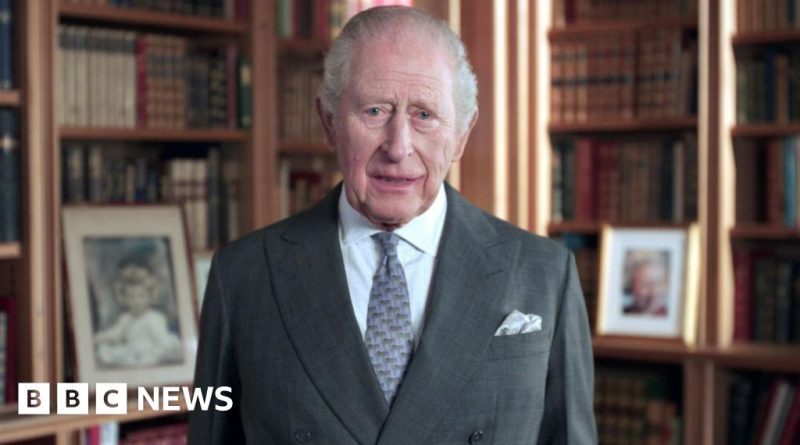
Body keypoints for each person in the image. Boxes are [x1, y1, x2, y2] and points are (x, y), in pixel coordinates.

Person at [189, 6, 595, 444]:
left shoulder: (545, 275)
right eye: (376, 110)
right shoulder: (240, 275)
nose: (399, 147)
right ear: (329, 122)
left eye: (424, 115)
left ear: (461, 133)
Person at [94, 261, 182, 367]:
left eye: (141, 296)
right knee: (108, 352)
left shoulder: (154, 318)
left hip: (150, 352)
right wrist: (99, 337)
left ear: (150, 296)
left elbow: (162, 340)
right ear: (124, 298)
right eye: (131, 296)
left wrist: (169, 348)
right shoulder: (126, 318)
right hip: (131, 352)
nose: (136, 301)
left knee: (149, 357)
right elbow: (115, 334)